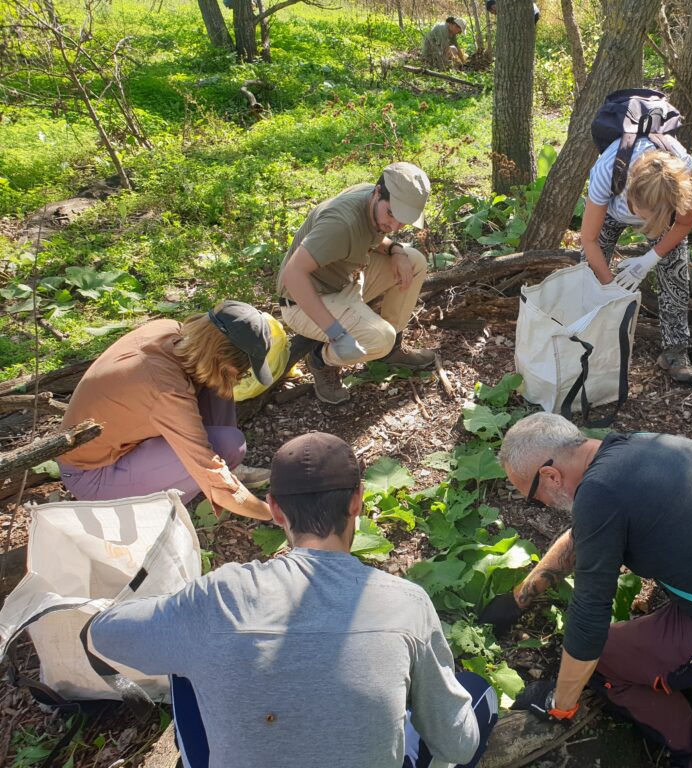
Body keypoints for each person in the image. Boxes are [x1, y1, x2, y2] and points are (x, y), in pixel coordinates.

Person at [88, 432, 496, 768]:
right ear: (358, 500)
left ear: (275, 510)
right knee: (476, 691)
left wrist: (178, 605)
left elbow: (103, 635)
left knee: (185, 650)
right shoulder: (407, 604)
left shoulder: (219, 597)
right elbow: (458, 746)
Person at [479, 413, 692, 768]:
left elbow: (589, 622)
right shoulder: (641, 446)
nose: (542, 505)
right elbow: (585, 536)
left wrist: (561, 702)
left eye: (533, 498)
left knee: (602, 662)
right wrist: (519, 598)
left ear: (551, 476)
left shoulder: (600, 493)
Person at [57, 301, 274, 521]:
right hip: (92, 475)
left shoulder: (171, 331)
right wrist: (277, 517)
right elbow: (220, 490)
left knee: (216, 382)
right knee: (227, 445)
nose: (240, 376)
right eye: (242, 371)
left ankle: (223, 470)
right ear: (227, 361)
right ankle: (160, 509)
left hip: (123, 442)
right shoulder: (166, 391)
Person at [277, 162, 436, 404]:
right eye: (391, 214)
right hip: (303, 299)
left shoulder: (372, 204)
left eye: (403, 221)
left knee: (414, 261)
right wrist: (336, 333)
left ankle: (389, 351)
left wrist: (396, 250)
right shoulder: (340, 224)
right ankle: (321, 360)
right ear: (376, 192)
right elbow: (293, 275)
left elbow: (370, 237)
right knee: (379, 338)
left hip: (346, 281)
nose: (394, 226)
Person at [581, 136, 692, 384]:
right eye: (641, 215)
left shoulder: (684, 172)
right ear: (631, 195)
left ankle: (675, 350)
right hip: (611, 211)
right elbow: (589, 240)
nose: (643, 223)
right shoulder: (608, 170)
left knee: (675, 266)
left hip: (665, 219)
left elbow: (685, 222)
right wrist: (611, 286)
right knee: (588, 269)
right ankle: (586, 339)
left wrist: (650, 258)